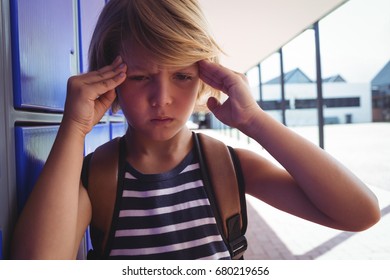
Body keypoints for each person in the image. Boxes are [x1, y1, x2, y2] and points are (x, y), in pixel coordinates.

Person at [11, 0, 380, 260]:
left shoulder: (226, 166)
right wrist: (73, 128)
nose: (163, 98)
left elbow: (360, 213)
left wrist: (255, 121)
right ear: (110, 80)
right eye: (139, 76)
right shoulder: (95, 178)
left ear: (204, 77)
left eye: (183, 76)